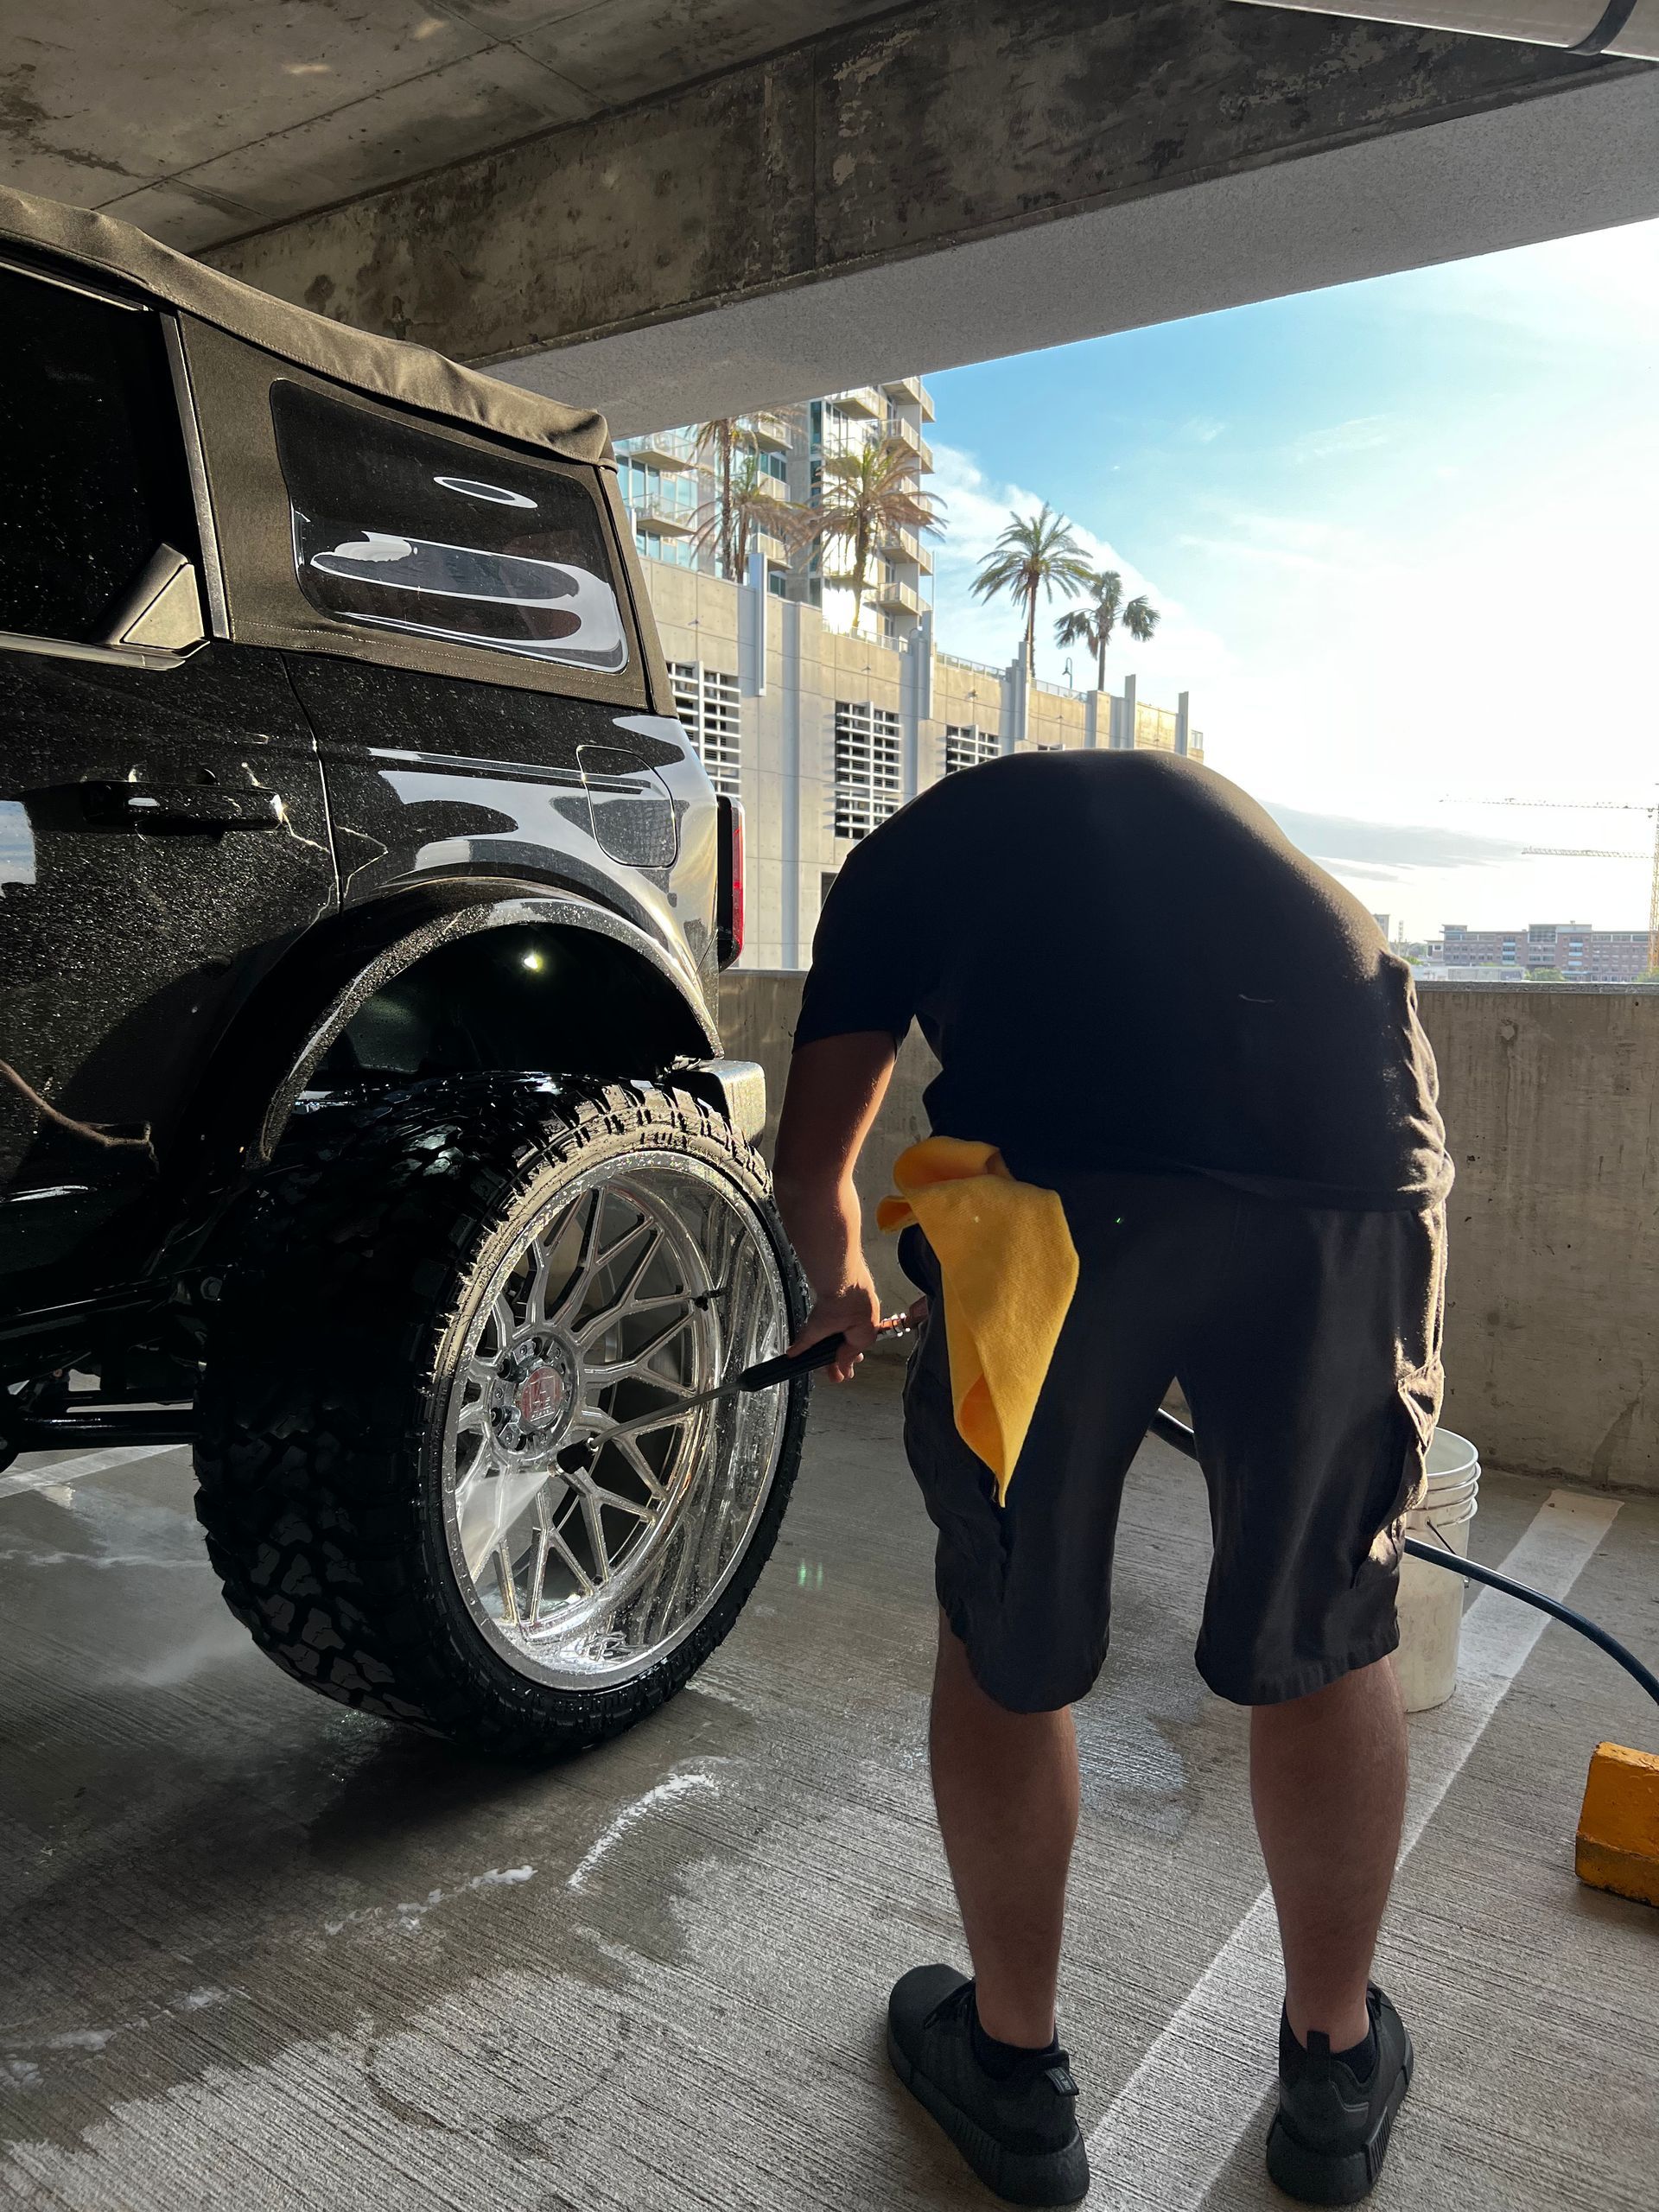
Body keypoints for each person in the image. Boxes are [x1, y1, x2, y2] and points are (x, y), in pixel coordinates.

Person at [771, 748, 1449, 2209]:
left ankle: (1013, 2077)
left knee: (1010, 1627)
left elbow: (815, 1154)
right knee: (1327, 1617)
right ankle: (1332, 2075)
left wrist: (835, 1285)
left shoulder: (891, 870)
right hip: (1343, 1142)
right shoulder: (1180, 801)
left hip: (1058, 1188)